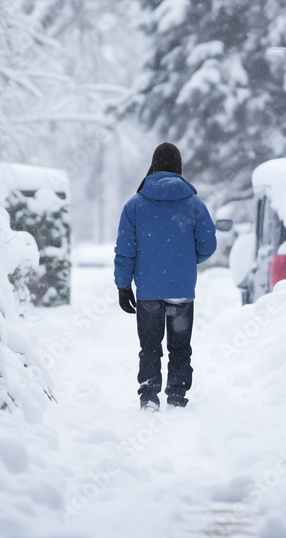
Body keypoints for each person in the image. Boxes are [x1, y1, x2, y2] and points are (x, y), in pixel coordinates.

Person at [114, 142, 216, 411]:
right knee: (180, 347)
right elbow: (208, 245)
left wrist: (123, 286)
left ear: (154, 165)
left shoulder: (134, 205)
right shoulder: (193, 203)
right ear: (178, 166)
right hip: (181, 290)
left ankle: (149, 396)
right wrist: (184, 261)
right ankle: (177, 396)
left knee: (150, 346)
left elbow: (125, 251)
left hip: (148, 292)